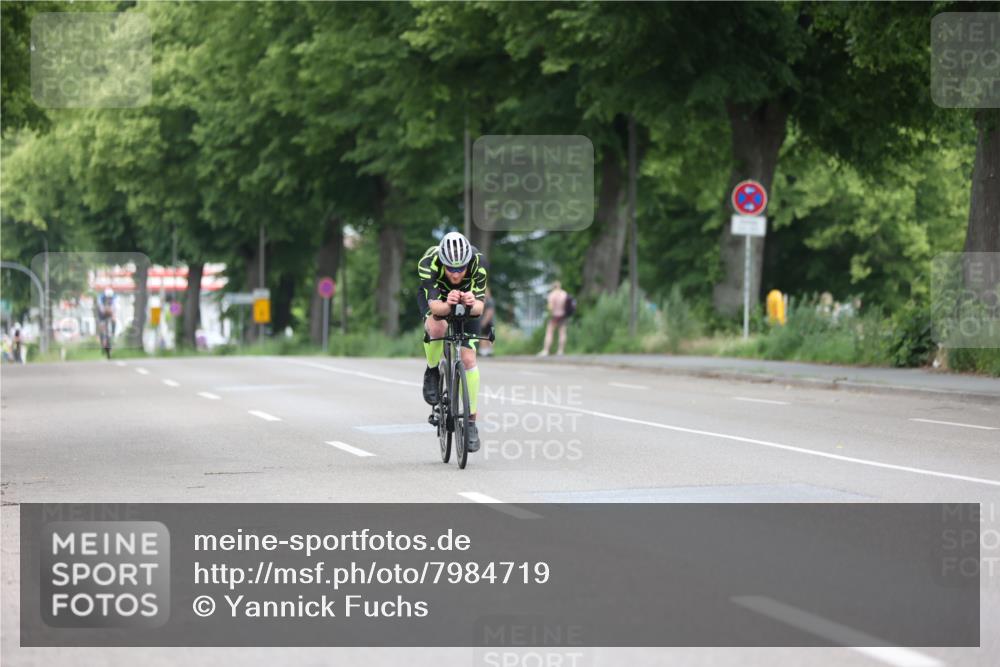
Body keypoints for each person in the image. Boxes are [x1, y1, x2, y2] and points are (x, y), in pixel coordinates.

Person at [417, 232, 488, 452]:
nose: (456, 274)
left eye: (461, 269)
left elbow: (479, 308)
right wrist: (448, 304)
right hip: (438, 298)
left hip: (467, 301)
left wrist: (470, 303)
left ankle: (471, 422)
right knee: (437, 327)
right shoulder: (429, 262)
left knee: (468, 360)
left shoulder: (478, 263)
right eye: (450, 269)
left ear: (468, 263)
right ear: (443, 263)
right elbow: (436, 308)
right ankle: (432, 371)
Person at [539, 280, 569, 356]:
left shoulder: (552, 295)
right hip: (563, 315)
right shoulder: (564, 294)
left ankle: (546, 350)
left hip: (554, 316)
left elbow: (550, 307)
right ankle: (560, 351)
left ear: (553, 287)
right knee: (562, 333)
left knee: (549, 333)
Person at [95, 288, 116, 353]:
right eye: (108, 298)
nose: (109, 299)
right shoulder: (100, 299)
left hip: (109, 312)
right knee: (102, 326)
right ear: (105, 297)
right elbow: (101, 310)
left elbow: (114, 308)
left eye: (110, 298)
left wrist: (113, 316)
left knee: (114, 320)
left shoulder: (114, 299)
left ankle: (113, 333)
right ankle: (102, 341)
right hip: (101, 314)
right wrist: (105, 310)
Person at [478, 287, 496, 357]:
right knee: (485, 335)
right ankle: (485, 350)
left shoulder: (489, 301)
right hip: (486, 321)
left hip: (488, 322)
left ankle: (487, 350)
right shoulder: (484, 300)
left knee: (487, 335)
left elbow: (489, 313)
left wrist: (483, 322)